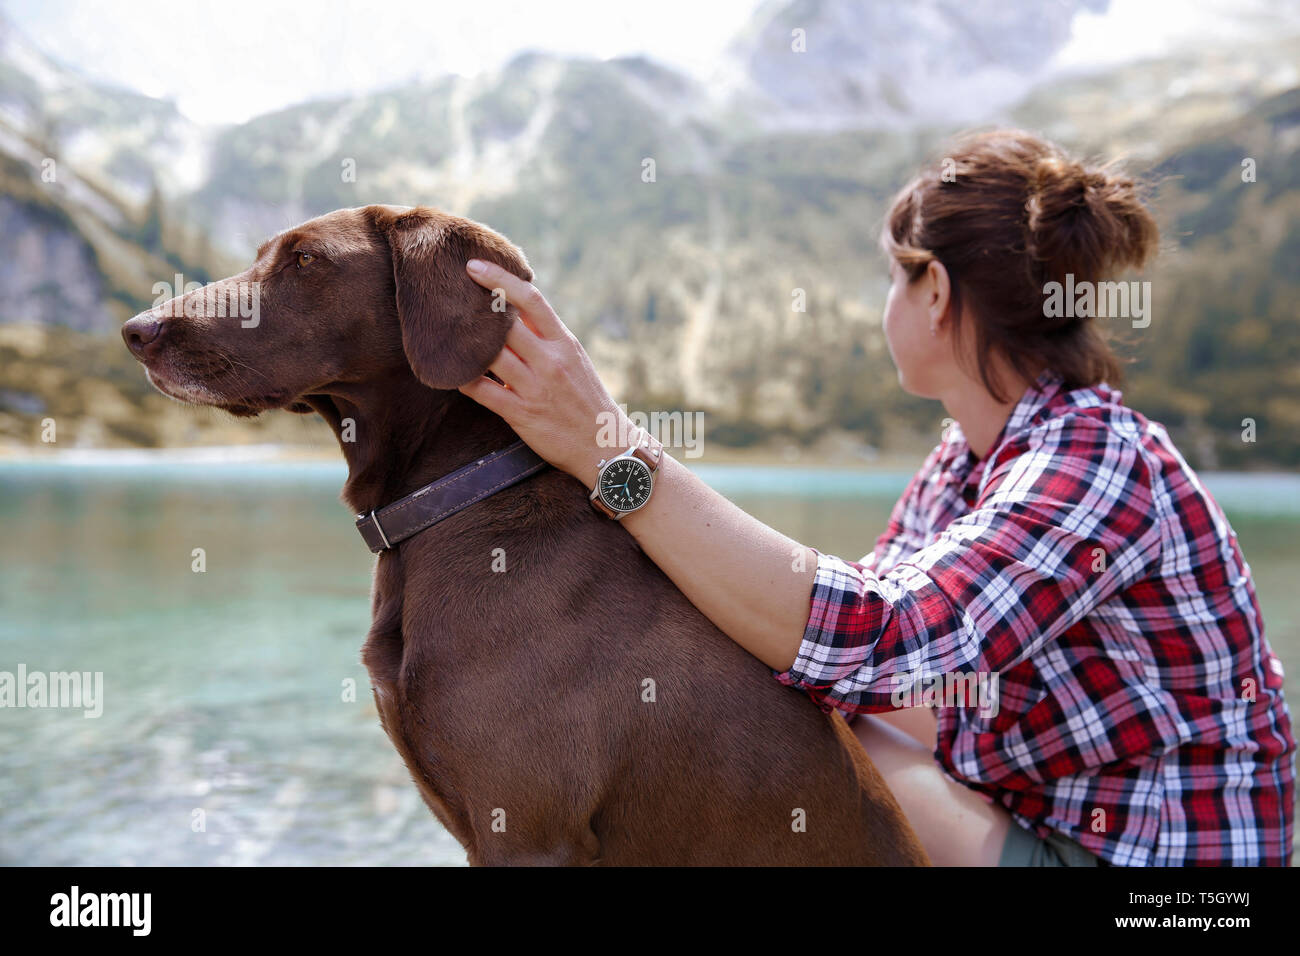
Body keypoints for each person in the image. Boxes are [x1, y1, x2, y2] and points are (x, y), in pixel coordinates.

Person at [456, 128, 1296, 866]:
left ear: (934, 290)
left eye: (896, 279)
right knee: (795, 712)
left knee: (814, 733)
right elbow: (849, 658)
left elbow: (878, 643)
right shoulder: (967, 461)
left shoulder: (1097, 462)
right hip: (1046, 821)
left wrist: (611, 450)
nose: (886, 303)